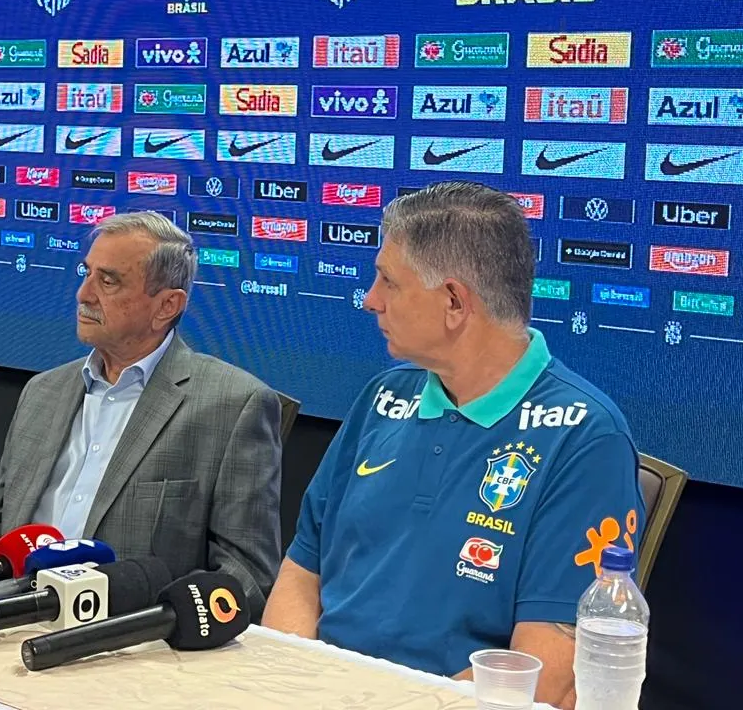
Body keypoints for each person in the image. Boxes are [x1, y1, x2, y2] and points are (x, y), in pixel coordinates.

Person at [262, 181, 644, 708]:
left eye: (388, 282)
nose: (370, 300)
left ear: (453, 301)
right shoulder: (382, 396)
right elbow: (302, 571)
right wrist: (288, 685)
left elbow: (546, 675)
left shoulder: (585, 437)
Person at [0, 211, 283, 617]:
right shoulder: (42, 392)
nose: (83, 294)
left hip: (128, 644)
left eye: (108, 281)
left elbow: (245, 579)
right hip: (8, 615)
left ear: (166, 306)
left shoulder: (233, 407)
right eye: (86, 274)